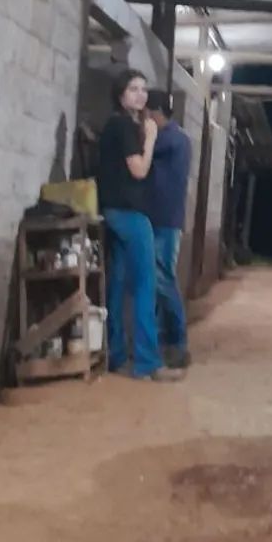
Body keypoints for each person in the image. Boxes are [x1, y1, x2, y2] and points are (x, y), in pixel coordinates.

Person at [97, 69, 182, 382]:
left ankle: (117, 356)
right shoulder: (126, 127)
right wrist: (151, 139)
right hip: (131, 215)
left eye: (143, 89)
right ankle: (147, 363)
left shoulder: (113, 125)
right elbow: (139, 170)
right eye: (133, 89)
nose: (140, 95)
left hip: (112, 212)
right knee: (146, 286)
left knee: (118, 286)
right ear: (121, 94)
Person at [144, 89, 192, 370]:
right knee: (160, 281)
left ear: (154, 113)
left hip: (163, 219)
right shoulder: (179, 138)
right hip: (166, 219)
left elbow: (140, 154)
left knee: (162, 280)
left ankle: (177, 342)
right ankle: (167, 342)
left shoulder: (167, 139)